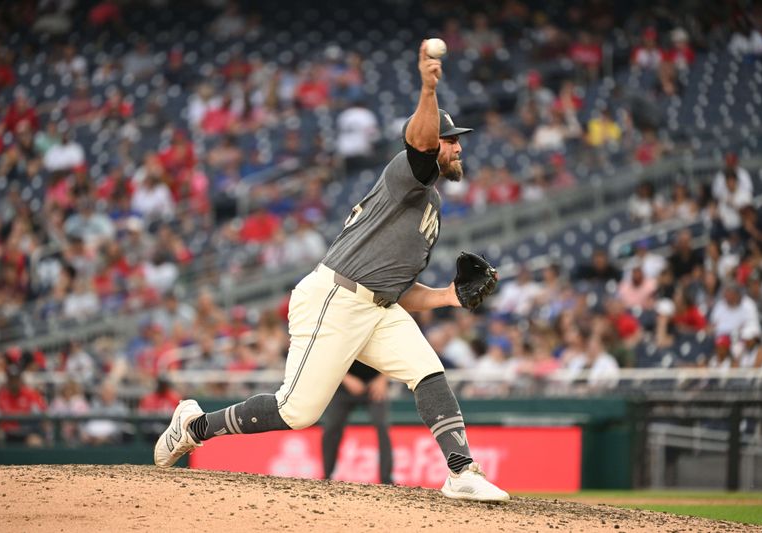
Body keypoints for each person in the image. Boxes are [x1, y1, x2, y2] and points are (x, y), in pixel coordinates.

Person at [154, 41, 509, 502]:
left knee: (427, 370)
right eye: (452, 139)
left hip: (377, 305)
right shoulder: (408, 174)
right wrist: (427, 88)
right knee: (297, 411)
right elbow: (419, 142)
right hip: (335, 297)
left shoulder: (431, 206)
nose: (459, 146)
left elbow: (397, 287)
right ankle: (194, 426)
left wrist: (447, 297)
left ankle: (462, 471)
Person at [322, 362, 393, 485]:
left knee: (382, 425)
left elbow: (393, 354)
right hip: (343, 384)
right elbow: (327, 356)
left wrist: (383, 378)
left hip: (374, 382)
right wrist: (346, 378)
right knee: (331, 427)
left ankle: (386, 480)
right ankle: (327, 477)